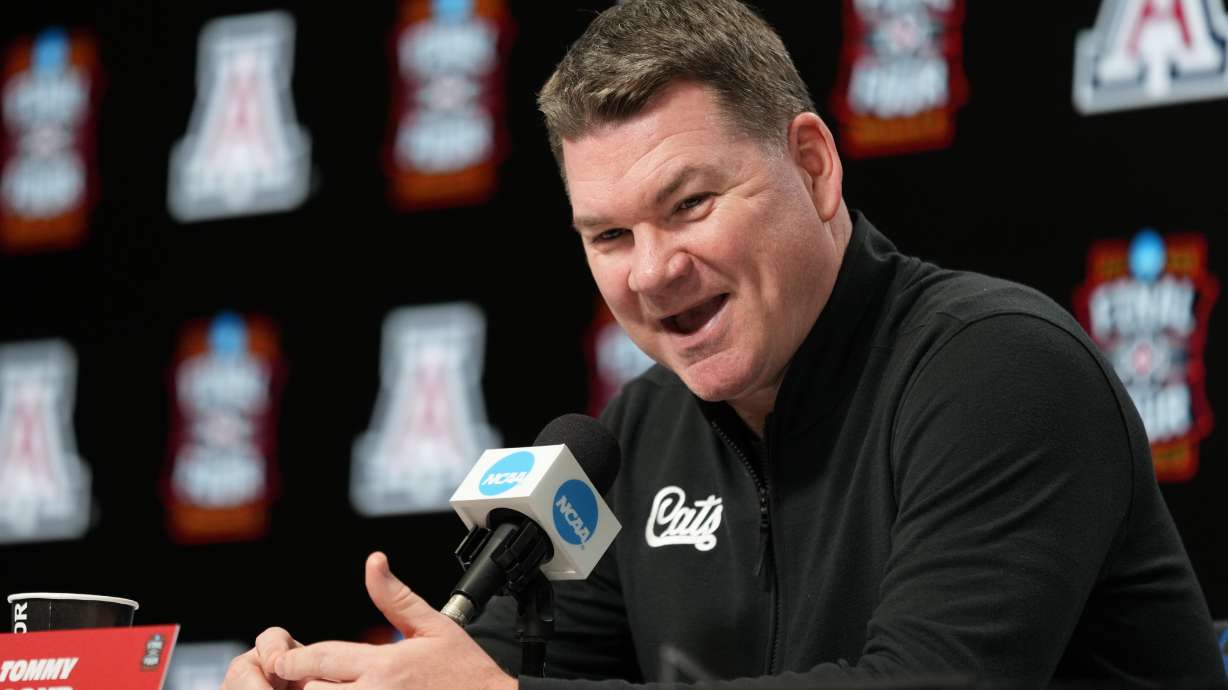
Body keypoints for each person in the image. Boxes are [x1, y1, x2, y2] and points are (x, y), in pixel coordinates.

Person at [220, 1, 1227, 689]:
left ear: (813, 166)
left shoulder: (999, 370)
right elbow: (505, 675)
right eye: (609, 237)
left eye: (690, 204)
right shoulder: (641, 433)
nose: (652, 270)